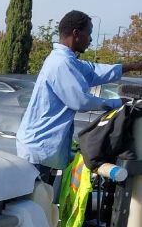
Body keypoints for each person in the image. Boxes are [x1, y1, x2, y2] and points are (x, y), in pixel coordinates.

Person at [16, 10, 142, 183]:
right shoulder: (61, 63)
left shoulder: (67, 60)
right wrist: (118, 102)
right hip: (39, 149)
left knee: (45, 196)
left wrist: (134, 66)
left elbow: (94, 72)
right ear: (76, 33)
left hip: (44, 149)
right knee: (39, 197)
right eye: (88, 34)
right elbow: (80, 101)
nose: (90, 40)